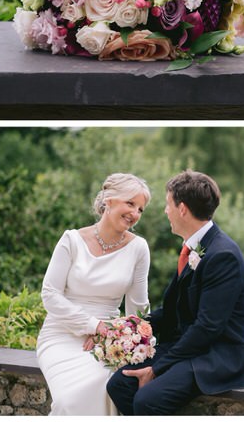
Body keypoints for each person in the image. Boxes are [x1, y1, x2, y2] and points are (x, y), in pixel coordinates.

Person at [107, 170, 244, 415]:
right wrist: (125, 328)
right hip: (189, 346)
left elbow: (208, 327)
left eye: (168, 205)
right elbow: (170, 312)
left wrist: (156, 369)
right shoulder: (195, 248)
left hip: (215, 355)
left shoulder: (223, 255)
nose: (165, 211)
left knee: (148, 399)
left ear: (182, 209)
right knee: (120, 384)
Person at [37, 173, 152, 415]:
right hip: (61, 334)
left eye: (140, 209)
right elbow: (49, 294)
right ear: (109, 200)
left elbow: (138, 308)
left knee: (105, 389)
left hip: (107, 342)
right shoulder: (71, 240)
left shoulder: (138, 248)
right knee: (68, 401)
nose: (135, 214)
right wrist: (93, 325)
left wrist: (126, 340)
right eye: (130, 204)